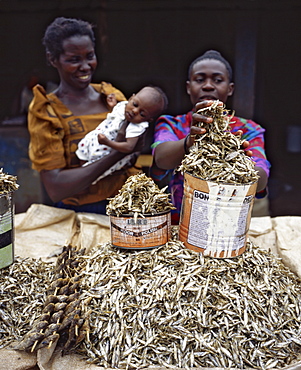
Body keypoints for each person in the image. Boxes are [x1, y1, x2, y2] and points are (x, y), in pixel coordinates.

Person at [28, 17, 146, 213]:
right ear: (52, 59)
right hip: (81, 213)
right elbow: (56, 188)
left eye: (89, 56)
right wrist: (118, 152)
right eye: (74, 60)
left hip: (128, 206)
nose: (85, 66)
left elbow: (134, 151)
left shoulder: (111, 97)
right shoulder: (47, 111)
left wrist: (130, 149)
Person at [151, 50, 270, 224]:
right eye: (199, 80)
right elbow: (161, 159)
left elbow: (261, 179)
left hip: (227, 224)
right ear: (188, 87)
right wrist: (189, 142)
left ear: (230, 89)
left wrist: (236, 159)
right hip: (179, 223)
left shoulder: (248, 129)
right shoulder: (172, 124)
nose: (208, 86)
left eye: (217, 80)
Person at [76, 86, 167, 182]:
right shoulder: (123, 106)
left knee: (90, 173)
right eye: (135, 104)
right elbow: (117, 115)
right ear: (131, 98)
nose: (135, 111)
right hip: (95, 139)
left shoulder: (136, 127)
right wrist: (113, 105)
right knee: (82, 153)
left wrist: (107, 142)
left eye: (142, 114)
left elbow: (129, 147)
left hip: (106, 151)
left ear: (148, 119)